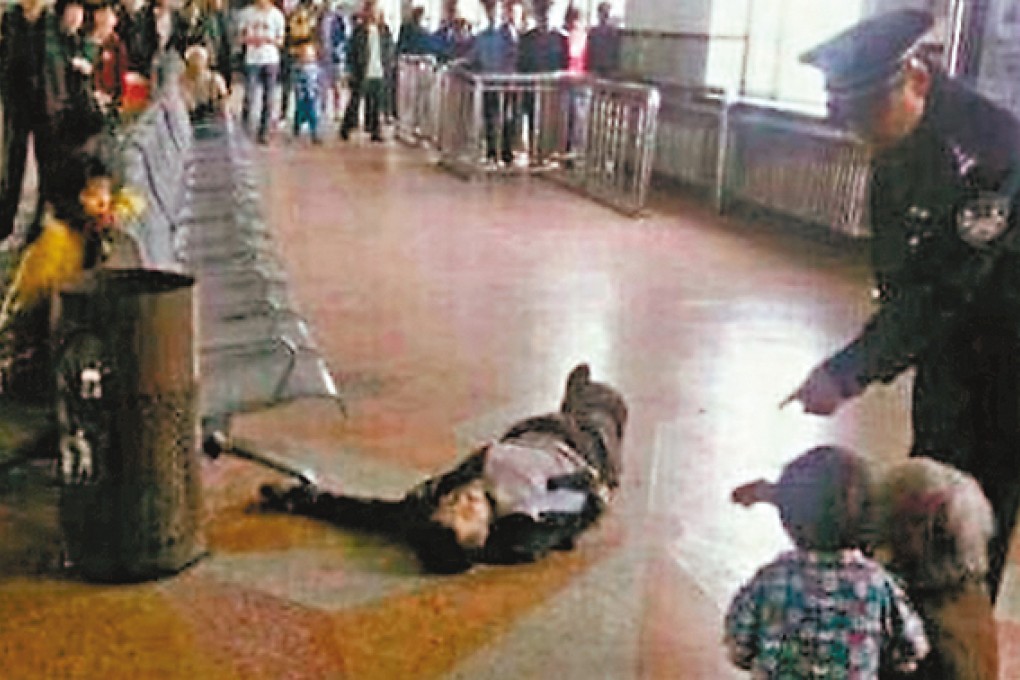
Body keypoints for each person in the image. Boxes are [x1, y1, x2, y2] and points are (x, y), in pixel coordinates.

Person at [785, 8, 1020, 604]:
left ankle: (961, 637)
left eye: (866, 114)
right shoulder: (900, 135)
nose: (859, 131)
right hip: (949, 346)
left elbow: (947, 284)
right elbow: (906, 274)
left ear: (916, 77)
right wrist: (874, 351)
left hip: (1010, 356)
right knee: (931, 487)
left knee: (977, 511)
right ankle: (916, 628)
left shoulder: (991, 151)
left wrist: (851, 368)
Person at [259, 363, 627, 573]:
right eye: (466, 513)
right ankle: (582, 397)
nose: (460, 499)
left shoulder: (429, 506)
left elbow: (369, 513)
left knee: (567, 409)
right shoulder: (524, 523)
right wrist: (573, 523)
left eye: (449, 505)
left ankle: (571, 400)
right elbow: (587, 500)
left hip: (525, 435)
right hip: (584, 444)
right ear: (484, 535)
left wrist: (301, 499)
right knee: (608, 402)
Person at [725, 446, 931, 678]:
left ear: (788, 521)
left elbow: (738, 647)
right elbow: (912, 648)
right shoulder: (878, 584)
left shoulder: (769, 579)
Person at [0, 153, 143, 400]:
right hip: (46, 356)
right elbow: (26, 312)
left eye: (104, 192)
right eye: (92, 194)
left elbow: (133, 205)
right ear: (73, 201)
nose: (102, 202)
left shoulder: (102, 235)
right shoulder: (55, 244)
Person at [0, 0, 53, 246]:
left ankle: (38, 224)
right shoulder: (11, 17)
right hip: (16, 100)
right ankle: (5, 221)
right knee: (13, 162)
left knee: (46, 162)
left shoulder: (50, 19)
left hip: (45, 101)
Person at [467, 0, 518, 165]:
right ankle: (490, 152)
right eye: (488, 10)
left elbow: (513, 56)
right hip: (488, 83)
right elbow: (473, 57)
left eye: (494, 9)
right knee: (489, 118)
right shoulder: (481, 36)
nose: (491, 14)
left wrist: (510, 78)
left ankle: (506, 152)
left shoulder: (508, 33)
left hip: (505, 84)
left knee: (506, 118)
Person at [339, 0, 392, 142]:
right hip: (361, 70)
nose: (374, 14)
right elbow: (351, 51)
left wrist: (388, 66)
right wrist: (349, 70)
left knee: (376, 102)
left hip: (378, 70)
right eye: (371, 11)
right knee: (355, 101)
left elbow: (388, 49)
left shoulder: (384, 30)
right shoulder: (359, 30)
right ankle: (346, 127)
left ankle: (375, 129)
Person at [237, 0, 286, 143]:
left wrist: (268, 40)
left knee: (269, 97)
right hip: (252, 59)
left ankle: (264, 131)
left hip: (270, 59)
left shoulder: (277, 15)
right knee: (250, 95)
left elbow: (281, 40)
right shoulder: (247, 13)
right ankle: (244, 128)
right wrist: (249, 40)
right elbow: (240, 37)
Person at [179, 43, 228, 123]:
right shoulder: (182, 81)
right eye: (193, 60)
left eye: (199, 59)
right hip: (190, 120)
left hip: (213, 120)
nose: (197, 63)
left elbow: (224, 100)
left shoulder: (215, 79)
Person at [290, 41, 321, 142]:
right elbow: (296, 81)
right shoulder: (297, 68)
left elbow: (319, 81)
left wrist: (318, 91)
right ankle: (297, 128)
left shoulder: (316, 68)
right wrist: (298, 91)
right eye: (306, 55)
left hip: (312, 95)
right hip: (302, 95)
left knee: (313, 114)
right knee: (300, 113)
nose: (309, 58)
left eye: (311, 55)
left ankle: (314, 133)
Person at [585, 1, 618, 78]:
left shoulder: (612, 31)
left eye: (606, 13)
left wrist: (615, 67)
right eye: (603, 12)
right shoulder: (593, 31)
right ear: (598, 14)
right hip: (596, 66)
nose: (605, 15)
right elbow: (590, 50)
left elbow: (615, 50)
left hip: (608, 67)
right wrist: (589, 67)